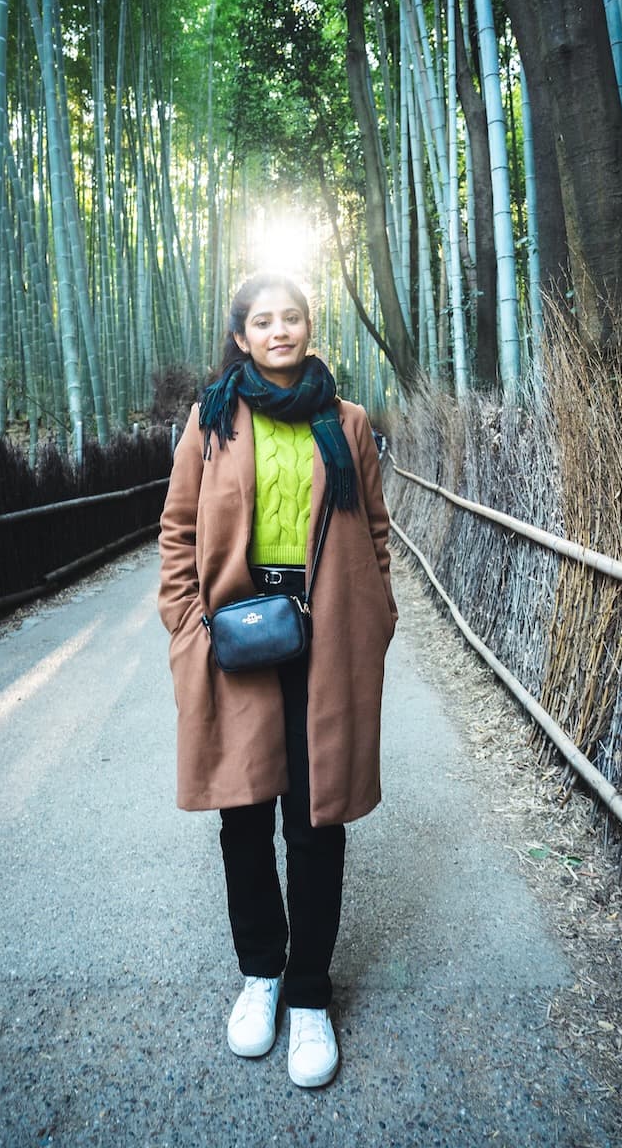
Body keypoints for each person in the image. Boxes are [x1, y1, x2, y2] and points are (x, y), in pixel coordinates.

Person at [158, 271, 397, 1089]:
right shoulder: (213, 420)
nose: (280, 330)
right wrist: (189, 635)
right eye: (264, 320)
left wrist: (378, 621)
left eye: (292, 317)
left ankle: (307, 997)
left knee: (317, 821)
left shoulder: (347, 421)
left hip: (325, 639)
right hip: (236, 642)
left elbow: (377, 529)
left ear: (308, 328)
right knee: (243, 816)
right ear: (241, 336)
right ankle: (259, 974)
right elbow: (177, 534)